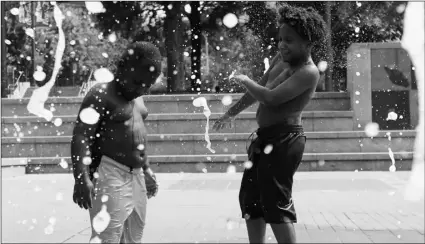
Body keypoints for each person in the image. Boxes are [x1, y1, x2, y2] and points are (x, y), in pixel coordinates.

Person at [213, 4, 328, 243]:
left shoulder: (309, 72)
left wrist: (244, 79)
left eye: (289, 40)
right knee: (251, 201)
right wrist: (230, 113)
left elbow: (271, 98)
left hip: (285, 141)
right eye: (280, 39)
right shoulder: (280, 59)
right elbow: (260, 89)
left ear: (308, 43)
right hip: (264, 138)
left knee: (275, 204)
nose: (282, 45)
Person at [71, 41, 161, 243]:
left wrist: (146, 170)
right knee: (107, 238)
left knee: (133, 238)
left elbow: (138, 137)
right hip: (109, 172)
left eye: (148, 84)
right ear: (122, 68)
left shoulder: (137, 98)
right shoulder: (101, 94)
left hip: (136, 174)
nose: (142, 88)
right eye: (137, 82)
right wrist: (81, 178)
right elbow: (81, 136)